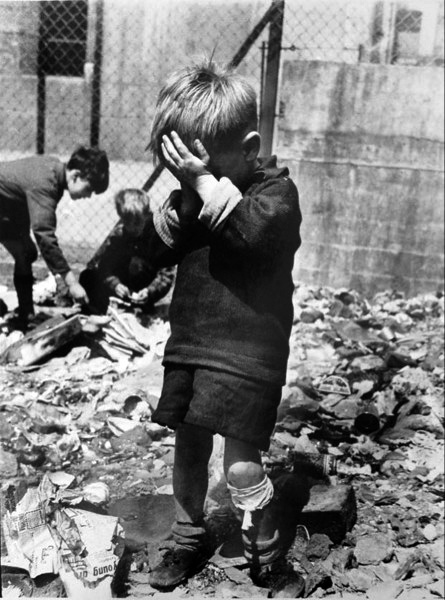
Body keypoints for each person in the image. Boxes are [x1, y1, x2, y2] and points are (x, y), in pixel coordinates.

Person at [145, 61, 306, 592]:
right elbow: (156, 250)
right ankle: (188, 533)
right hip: (192, 346)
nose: (190, 172)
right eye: (180, 162)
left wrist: (204, 183)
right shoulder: (195, 192)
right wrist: (185, 194)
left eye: (201, 161)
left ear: (251, 147)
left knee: (240, 465)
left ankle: (264, 545)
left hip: (247, 356)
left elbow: (252, 236)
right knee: (188, 447)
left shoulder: (276, 196)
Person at [0, 146, 109, 328]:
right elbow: (44, 234)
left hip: (5, 209)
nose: (88, 196)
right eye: (89, 188)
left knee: (26, 253)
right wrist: (71, 282)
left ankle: (26, 315)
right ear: (75, 175)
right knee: (26, 252)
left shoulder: (54, 171)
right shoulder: (47, 183)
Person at [79, 188, 175, 314]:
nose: (131, 228)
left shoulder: (159, 237)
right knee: (87, 276)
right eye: (126, 222)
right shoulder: (118, 237)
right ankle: (102, 311)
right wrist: (115, 285)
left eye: (136, 222)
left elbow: (165, 275)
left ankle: (140, 307)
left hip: (144, 289)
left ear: (147, 215)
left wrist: (149, 291)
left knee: (137, 264)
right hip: (121, 288)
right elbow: (102, 267)